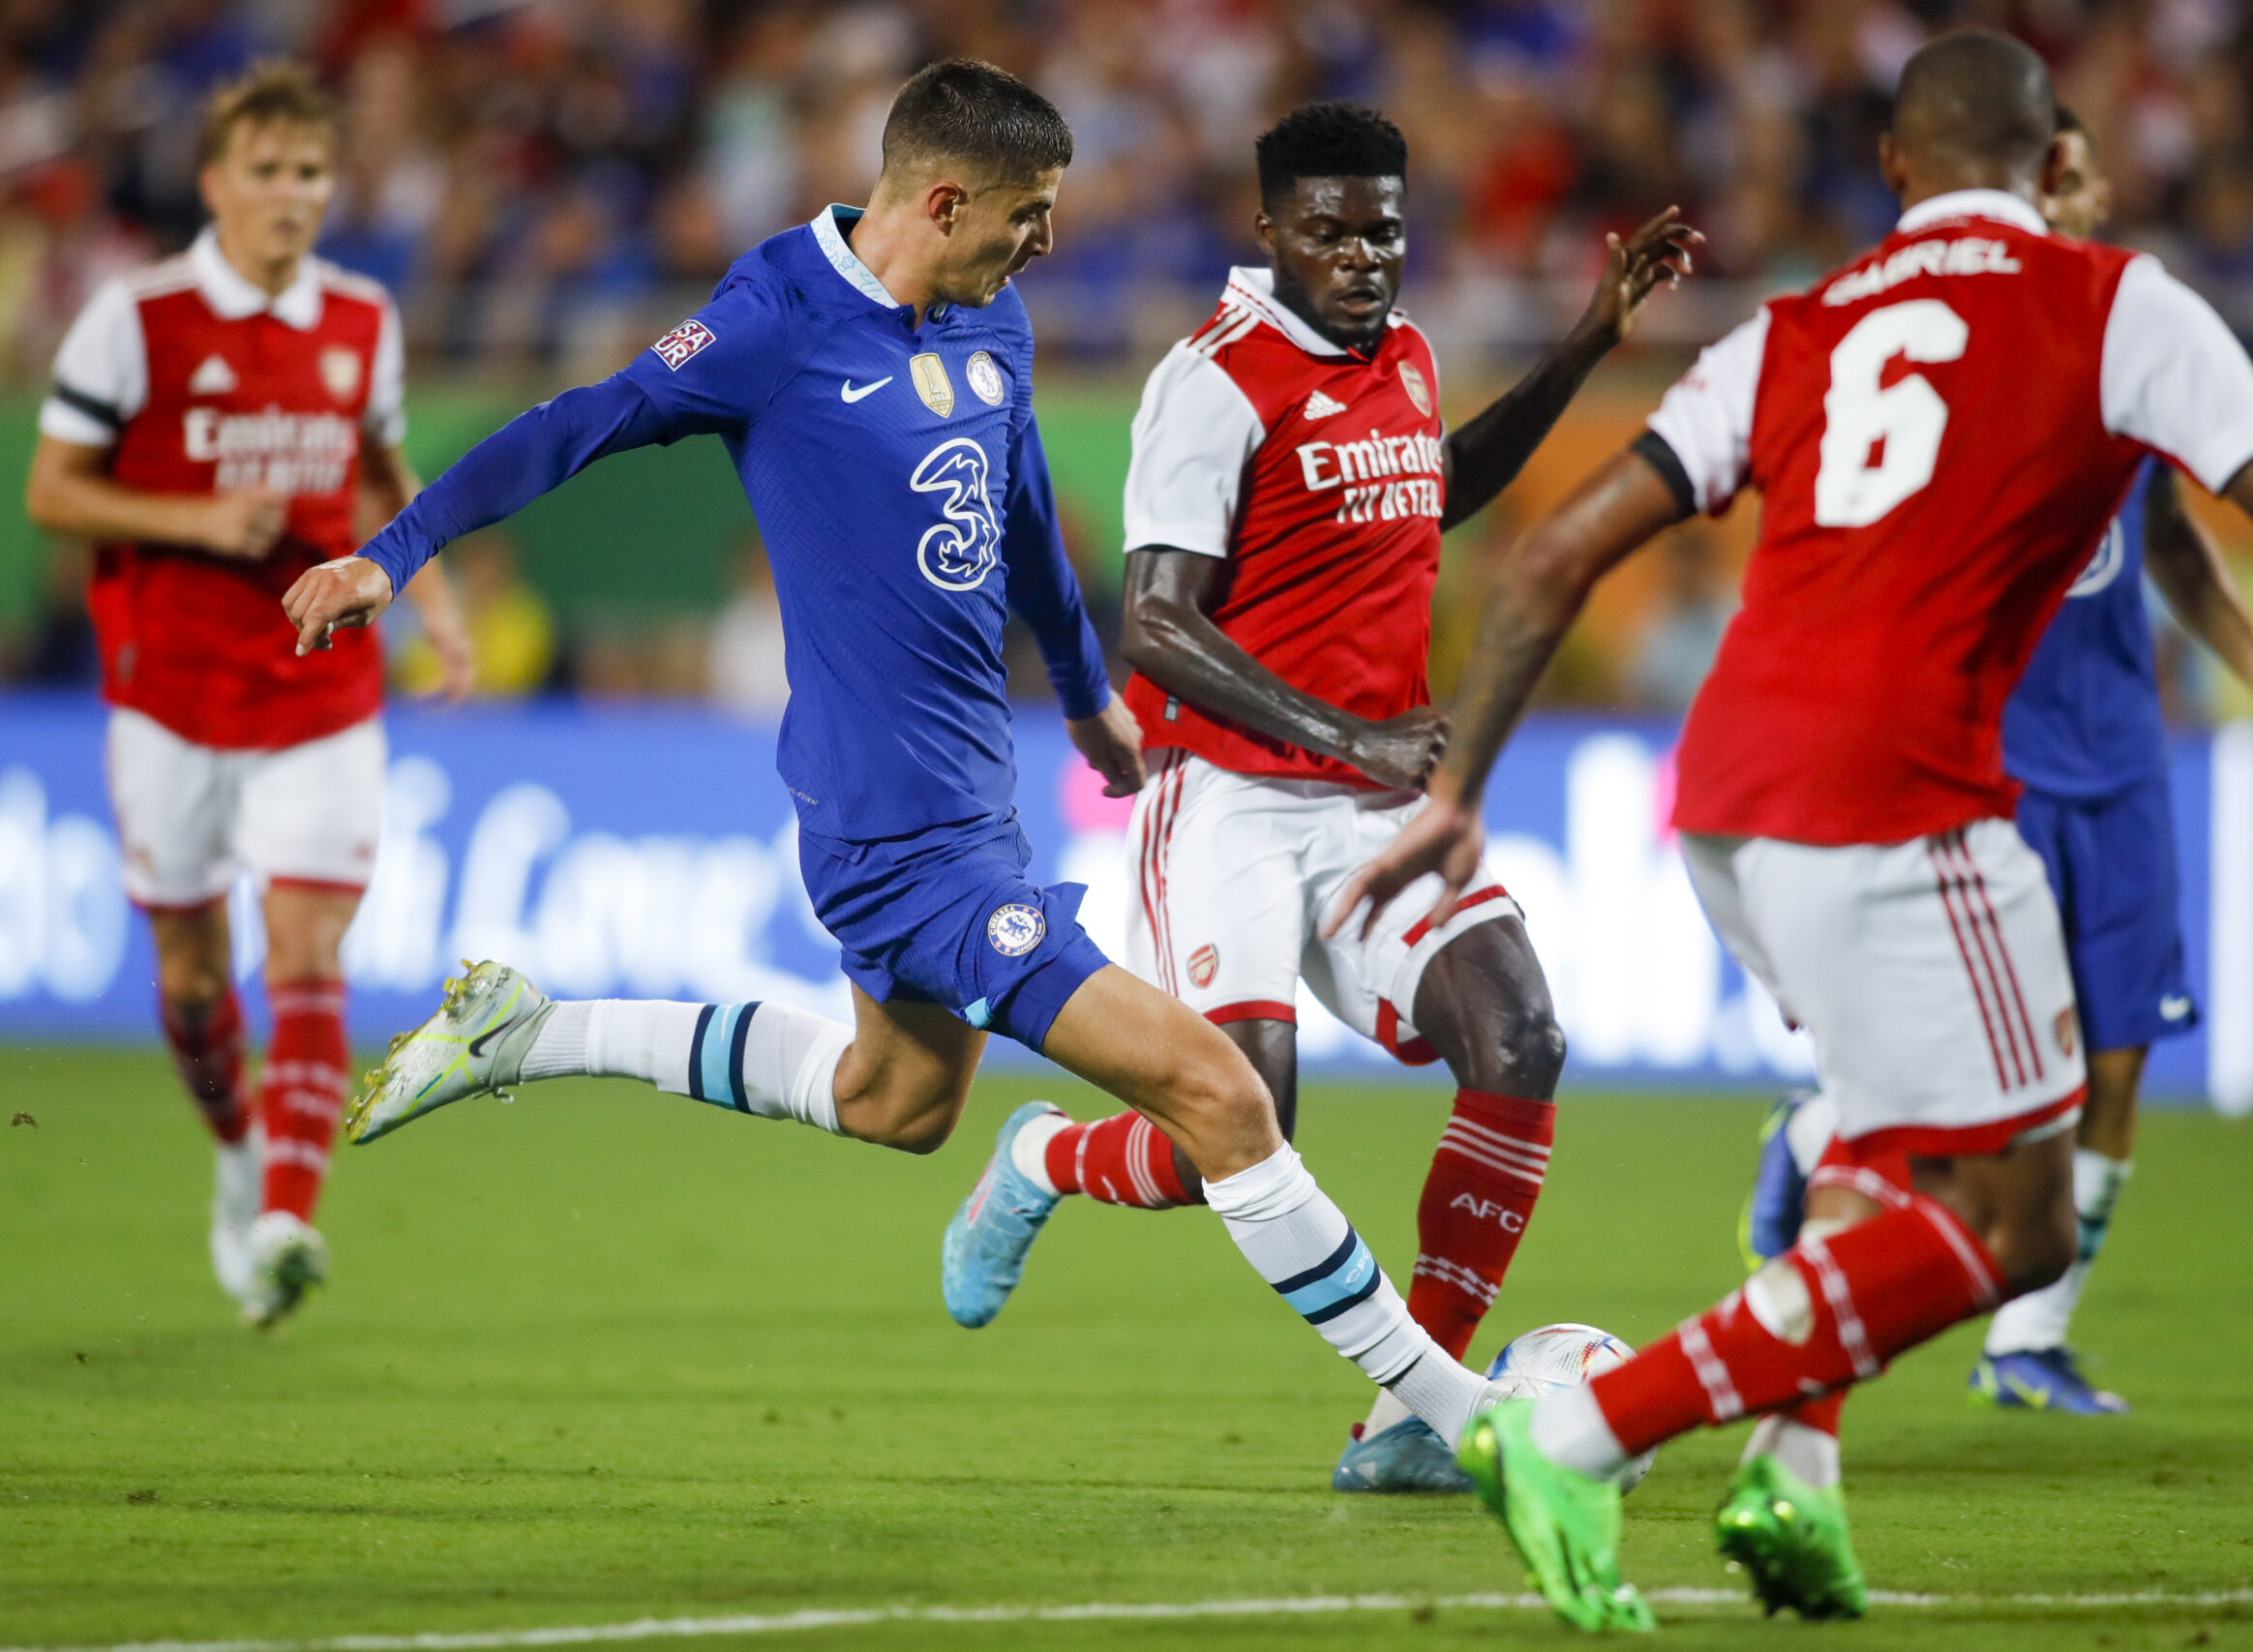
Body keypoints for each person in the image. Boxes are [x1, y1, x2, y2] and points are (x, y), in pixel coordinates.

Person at [1333, 29, 2253, 1632]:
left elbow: (1551, 556)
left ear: (1891, 171)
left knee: (1892, 1152)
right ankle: (1578, 1437)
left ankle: (1792, 1482)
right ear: (2051, 166)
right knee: (2013, 1219)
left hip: (1726, 798)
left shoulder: (1792, 330)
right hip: (1897, 799)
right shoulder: (2114, 304)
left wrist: (1462, 792)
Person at [283, 60, 1501, 1457]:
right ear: (941, 198)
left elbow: (1029, 505)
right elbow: (581, 425)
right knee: (1222, 1095)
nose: (1046, 241)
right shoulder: (775, 324)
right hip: (891, 834)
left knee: (897, 1102)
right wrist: (392, 556)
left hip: (973, 810)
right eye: (1028, 214)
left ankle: (529, 1032)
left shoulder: (997, 320)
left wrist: (1086, 693)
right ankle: (1469, 1424)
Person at [936, 101, 1698, 1494]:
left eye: (1384, 232)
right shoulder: (1212, 381)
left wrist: (1587, 342)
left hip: (1365, 791)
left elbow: (1436, 486)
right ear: (1269, 229)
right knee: (1245, 1125)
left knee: (1520, 1036)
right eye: (1331, 231)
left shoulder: (1403, 353)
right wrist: (1351, 731)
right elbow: (1155, 622)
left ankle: (1412, 1420)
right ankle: (1045, 1159)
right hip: (1223, 796)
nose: (1363, 257)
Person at [1739, 108, 2253, 1427]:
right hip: (1990, 753)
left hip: (2122, 756)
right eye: (2081, 163)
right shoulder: (1951, 337)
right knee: (1997, 1074)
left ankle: (2031, 1338)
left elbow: (2177, 543)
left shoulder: (2129, 337)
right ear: (2040, 174)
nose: (2100, 184)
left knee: (2120, 1060)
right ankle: (1815, 1135)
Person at [23, 62, 469, 1328]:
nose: (290, 195)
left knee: (308, 951)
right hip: (168, 695)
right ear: (217, 183)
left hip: (318, 690)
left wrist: (430, 595)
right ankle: (236, 1153)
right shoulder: (139, 318)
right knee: (191, 980)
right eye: (266, 172)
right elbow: (51, 492)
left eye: (310, 174)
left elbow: (385, 461)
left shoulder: (362, 319)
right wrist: (197, 517)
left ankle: (286, 1213)